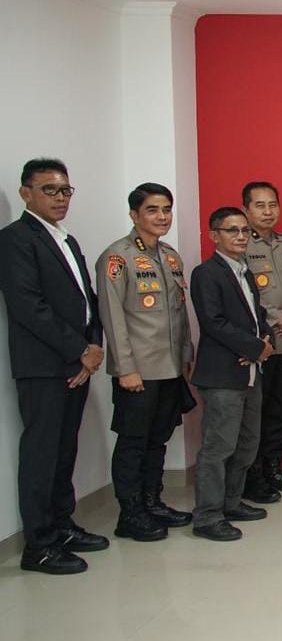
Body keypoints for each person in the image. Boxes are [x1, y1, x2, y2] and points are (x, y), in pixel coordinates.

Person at [0, 159, 107, 574]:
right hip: (44, 366)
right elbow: (29, 306)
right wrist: (79, 350)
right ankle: (39, 545)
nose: (60, 198)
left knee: (65, 450)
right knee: (41, 454)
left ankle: (62, 526)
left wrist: (93, 346)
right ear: (26, 193)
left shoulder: (66, 239)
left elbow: (88, 301)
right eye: (50, 190)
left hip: (78, 361)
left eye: (65, 190)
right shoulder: (15, 239)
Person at [96, 183, 194, 540]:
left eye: (166, 209)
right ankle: (131, 513)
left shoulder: (170, 256)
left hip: (170, 368)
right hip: (138, 371)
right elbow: (112, 318)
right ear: (134, 215)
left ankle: (152, 502)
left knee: (158, 440)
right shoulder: (117, 257)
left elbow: (179, 314)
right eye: (153, 210)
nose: (162, 216)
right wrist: (126, 369)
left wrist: (186, 356)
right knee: (133, 443)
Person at [189, 207, 274, 541]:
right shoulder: (206, 273)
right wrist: (254, 347)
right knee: (218, 447)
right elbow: (213, 322)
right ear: (215, 235)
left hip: (251, 372)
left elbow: (257, 316)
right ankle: (208, 517)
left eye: (244, 231)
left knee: (247, 443)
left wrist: (266, 339)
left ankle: (232, 502)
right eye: (232, 230)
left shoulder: (245, 272)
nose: (241, 237)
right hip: (223, 374)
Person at [240, 182, 282, 503]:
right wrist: (277, 318)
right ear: (246, 210)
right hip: (259, 344)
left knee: (281, 409)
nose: (268, 212)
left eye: (272, 205)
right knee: (256, 412)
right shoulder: (240, 244)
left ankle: (274, 469)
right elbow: (243, 294)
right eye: (260, 205)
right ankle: (252, 477)